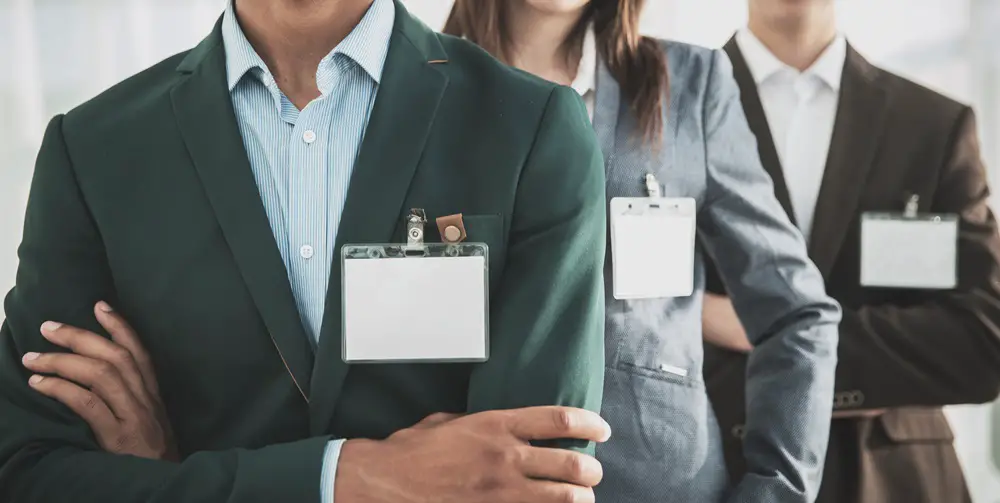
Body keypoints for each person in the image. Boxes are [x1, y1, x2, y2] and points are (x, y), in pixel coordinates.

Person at [0, 0, 614, 501]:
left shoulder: (531, 130)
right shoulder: (92, 151)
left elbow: (531, 481)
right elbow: (28, 474)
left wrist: (169, 477)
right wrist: (346, 477)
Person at [444, 1, 841, 502]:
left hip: (663, 482)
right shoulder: (415, 87)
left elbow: (799, 314)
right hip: (473, 482)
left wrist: (775, 493)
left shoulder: (690, 85)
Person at [701, 0, 1000, 502]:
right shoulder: (664, 111)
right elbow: (635, 327)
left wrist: (764, 327)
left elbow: (982, 342)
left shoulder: (931, 126)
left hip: (900, 482)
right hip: (723, 474)